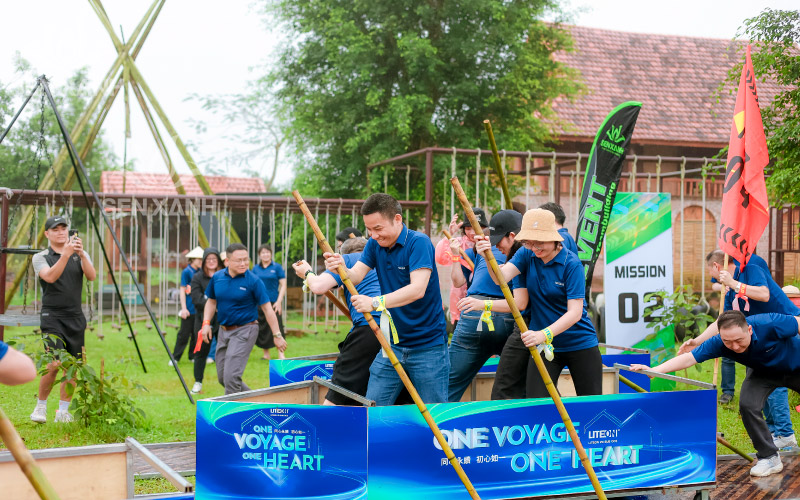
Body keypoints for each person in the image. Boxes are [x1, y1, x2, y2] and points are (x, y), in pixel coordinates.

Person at [634, 310, 800, 477]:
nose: (735, 347)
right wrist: (655, 370)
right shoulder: (718, 342)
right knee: (748, 404)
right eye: (728, 342)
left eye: (739, 340)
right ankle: (769, 457)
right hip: (763, 373)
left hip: (796, 367)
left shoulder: (769, 322)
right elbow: (689, 358)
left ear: (749, 330)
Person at [324, 193, 449, 405]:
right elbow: (355, 276)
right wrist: (341, 268)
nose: (373, 235)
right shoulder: (374, 245)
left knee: (434, 414)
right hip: (392, 344)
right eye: (369, 230)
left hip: (428, 347)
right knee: (373, 407)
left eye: (378, 228)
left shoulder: (419, 243)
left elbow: (417, 289)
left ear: (397, 219)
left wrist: (374, 302)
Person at [478, 208, 601, 398]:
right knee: (538, 401)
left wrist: (544, 334)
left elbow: (575, 313)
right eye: (529, 243)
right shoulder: (527, 254)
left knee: (591, 405)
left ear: (554, 238)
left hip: (578, 342)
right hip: (545, 345)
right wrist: (487, 255)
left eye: (540, 243)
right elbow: (500, 278)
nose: (535, 248)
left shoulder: (571, 264)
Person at [684, 250, 798, 449]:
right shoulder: (730, 290)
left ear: (717, 266)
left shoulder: (751, 268)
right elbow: (724, 320)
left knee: (777, 379)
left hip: (785, 330)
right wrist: (698, 340)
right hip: (755, 337)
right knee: (756, 383)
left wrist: (734, 284)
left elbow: (764, 294)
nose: (712, 275)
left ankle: (785, 434)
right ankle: (774, 433)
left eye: (710, 270)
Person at [292, 237, 382, 405]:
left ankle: (325, 426)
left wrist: (306, 272)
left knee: (341, 390)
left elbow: (318, 286)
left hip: (369, 328)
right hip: (398, 331)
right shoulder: (383, 260)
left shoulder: (350, 259)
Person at [447, 209, 522, 402]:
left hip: (480, 311)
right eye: (467, 229)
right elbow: (458, 281)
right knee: (515, 385)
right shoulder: (483, 249)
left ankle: (433, 425)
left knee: (448, 384)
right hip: (500, 312)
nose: (471, 233)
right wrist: (456, 255)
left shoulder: (492, 249)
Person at [30, 216, 96, 423]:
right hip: (52, 316)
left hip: (75, 316)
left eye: (63, 228)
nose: (60, 232)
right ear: (47, 234)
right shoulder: (40, 257)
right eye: (55, 229)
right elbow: (49, 277)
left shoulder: (80, 254)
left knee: (73, 366)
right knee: (54, 363)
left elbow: (92, 276)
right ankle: (40, 407)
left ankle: (63, 411)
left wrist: (81, 255)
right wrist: (66, 255)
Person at [201, 243, 287, 394]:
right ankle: (256, 401)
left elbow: (267, 308)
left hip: (245, 330)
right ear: (227, 261)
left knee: (231, 378)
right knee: (223, 378)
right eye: (238, 260)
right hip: (223, 331)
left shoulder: (253, 281)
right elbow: (211, 301)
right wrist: (206, 323)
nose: (243, 264)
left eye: (246, 260)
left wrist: (277, 335)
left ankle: (233, 415)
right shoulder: (217, 278)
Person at [435, 211, 482, 329]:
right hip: (460, 297)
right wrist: (450, 235)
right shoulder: (459, 243)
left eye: (475, 228)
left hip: (483, 300)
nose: (471, 232)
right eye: (468, 228)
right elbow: (441, 259)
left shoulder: (488, 244)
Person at [189, 247, 222, 394]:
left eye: (214, 259)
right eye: (208, 259)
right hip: (203, 320)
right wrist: (213, 305)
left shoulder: (224, 275)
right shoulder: (197, 277)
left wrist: (212, 302)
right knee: (201, 352)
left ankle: (229, 383)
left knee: (224, 351)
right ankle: (198, 382)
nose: (211, 262)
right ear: (203, 262)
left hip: (222, 320)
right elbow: (196, 299)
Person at [251, 245, 287, 361]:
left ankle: (281, 354)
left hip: (273, 302)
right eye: (263, 253)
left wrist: (279, 301)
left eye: (267, 252)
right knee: (262, 328)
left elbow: (283, 285)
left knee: (278, 328)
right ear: (259, 255)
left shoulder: (277, 267)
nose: (265, 255)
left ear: (271, 254)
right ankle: (266, 354)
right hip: (259, 302)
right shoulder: (255, 268)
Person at [170, 246, 203, 365]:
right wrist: (183, 308)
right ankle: (175, 357)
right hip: (189, 308)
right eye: (198, 259)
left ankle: (192, 356)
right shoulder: (187, 272)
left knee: (196, 335)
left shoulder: (201, 272)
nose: (200, 261)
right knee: (183, 334)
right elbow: (182, 290)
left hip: (198, 309)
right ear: (193, 259)